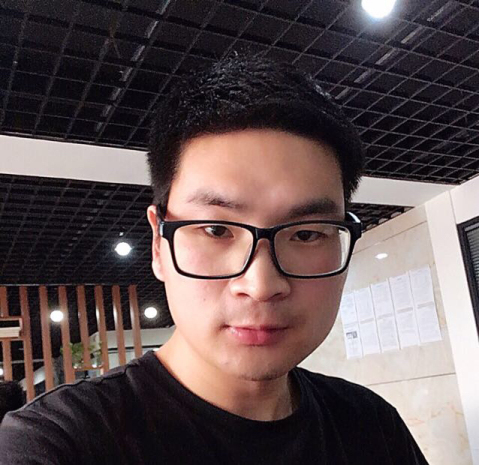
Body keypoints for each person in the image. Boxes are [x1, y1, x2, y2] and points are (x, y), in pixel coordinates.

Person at [0, 55, 428, 464]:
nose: (261, 285)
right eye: (216, 230)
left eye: (306, 233)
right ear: (158, 244)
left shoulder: (371, 425)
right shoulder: (57, 443)